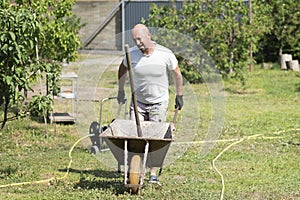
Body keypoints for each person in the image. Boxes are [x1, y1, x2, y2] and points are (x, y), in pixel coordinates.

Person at [117, 24, 183, 183]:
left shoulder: (164, 54)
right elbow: (122, 70)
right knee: (134, 136)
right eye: (134, 40)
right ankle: (135, 169)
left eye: (139, 39)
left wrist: (179, 95)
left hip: (158, 103)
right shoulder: (131, 54)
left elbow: (177, 74)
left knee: (155, 138)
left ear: (148, 35)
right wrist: (120, 90)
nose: (137, 43)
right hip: (138, 101)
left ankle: (153, 173)